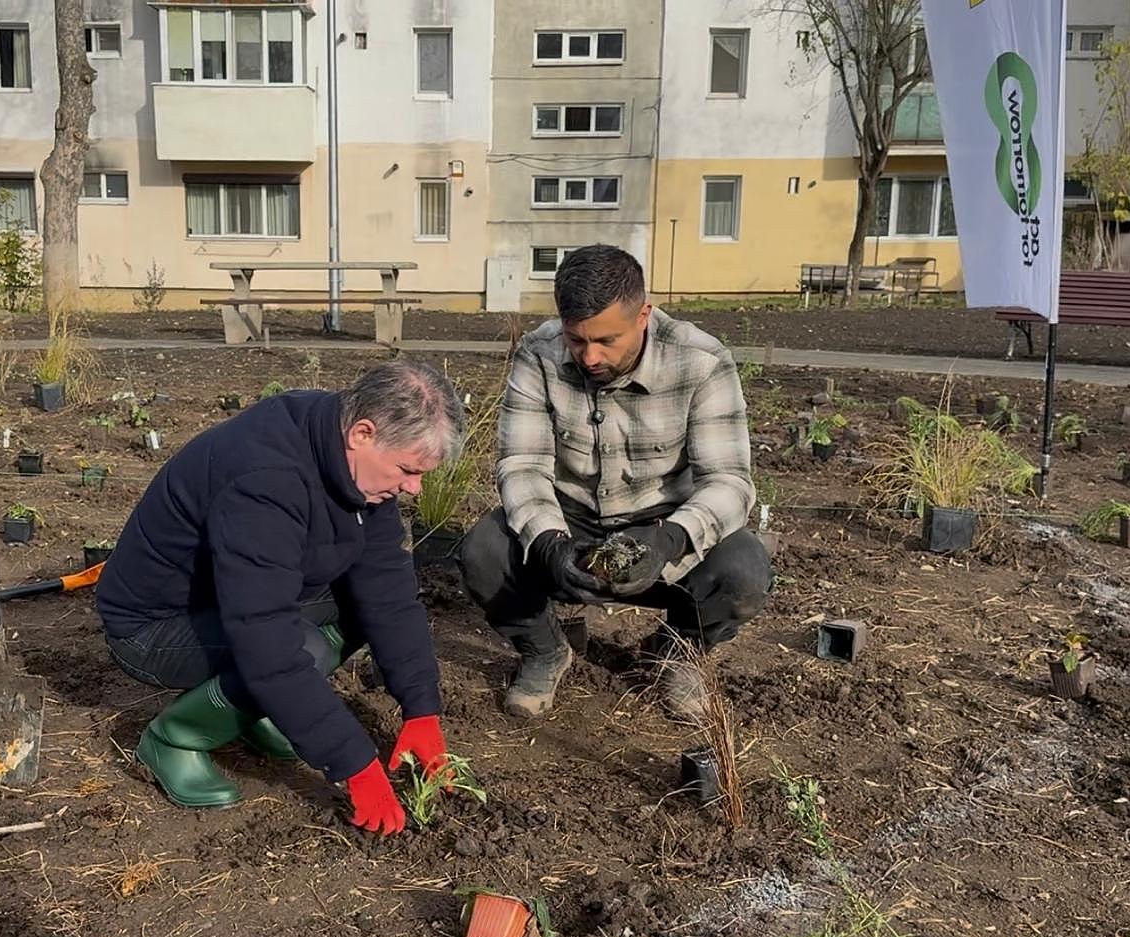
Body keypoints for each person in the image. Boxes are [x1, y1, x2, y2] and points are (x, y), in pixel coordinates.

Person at [96, 360, 465, 836]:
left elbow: (389, 594)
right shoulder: (267, 478)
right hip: (155, 626)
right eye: (408, 470)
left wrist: (421, 709)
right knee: (302, 649)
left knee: (364, 609)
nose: (413, 487)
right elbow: (266, 642)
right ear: (363, 433)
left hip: (229, 596)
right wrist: (355, 764)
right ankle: (174, 739)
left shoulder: (354, 465)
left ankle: (255, 712)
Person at [460, 244, 770, 720]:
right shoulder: (539, 355)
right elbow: (522, 465)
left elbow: (729, 481)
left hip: (663, 522)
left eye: (607, 340)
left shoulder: (701, 361)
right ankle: (544, 651)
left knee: (743, 570)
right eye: (577, 340)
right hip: (571, 521)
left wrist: (669, 540)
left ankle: (676, 655)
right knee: (484, 551)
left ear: (643, 314)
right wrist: (547, 542)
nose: (590, 357)